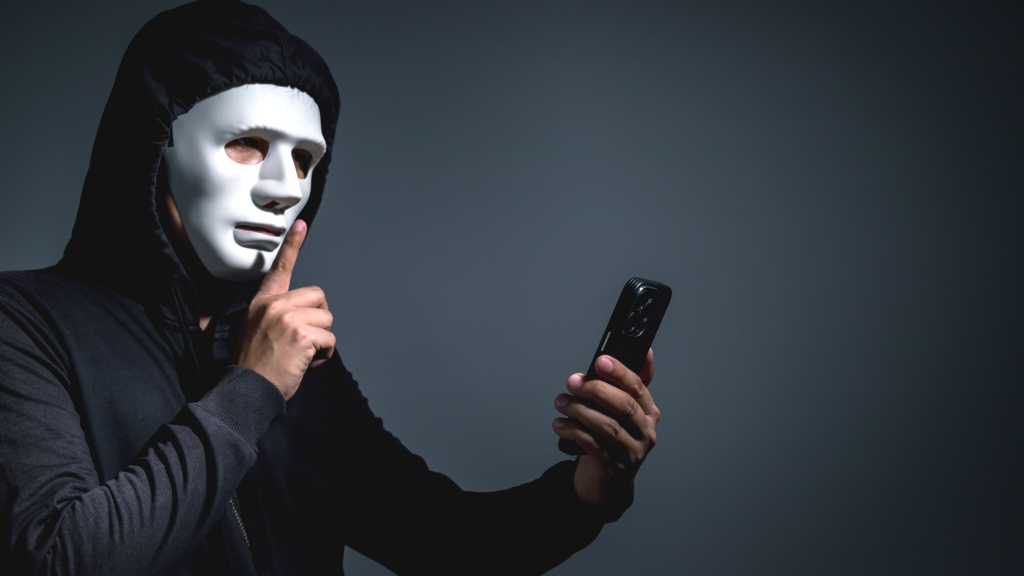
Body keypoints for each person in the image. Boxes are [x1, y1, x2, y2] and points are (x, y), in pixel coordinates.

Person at [0, 1, 661, 574]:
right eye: (247, 143)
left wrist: (586, 493)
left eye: (305, 159)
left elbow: (445, 541)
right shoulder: (24, 324)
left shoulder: (290, 347)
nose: (284, 187)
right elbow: (59, 557)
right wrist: (253, 388)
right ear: (153, 146)